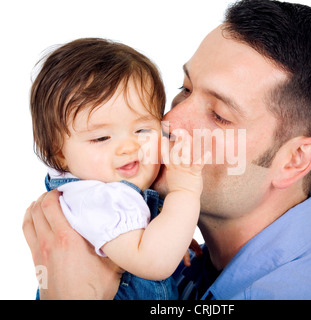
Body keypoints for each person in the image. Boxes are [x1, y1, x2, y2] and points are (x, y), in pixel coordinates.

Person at [23, 0, 311, 300]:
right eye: (185, 89)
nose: (169, 121)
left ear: (293, 160)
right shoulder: (189, 258)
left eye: (219, 115)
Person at [28, 38, 208, 299]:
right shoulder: (100, 199)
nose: (128, 147)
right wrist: (185, 189)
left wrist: (165, 230)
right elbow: (154, 263)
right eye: (101, 138)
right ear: (59, 154)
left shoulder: (98, 197)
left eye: (142, 130)